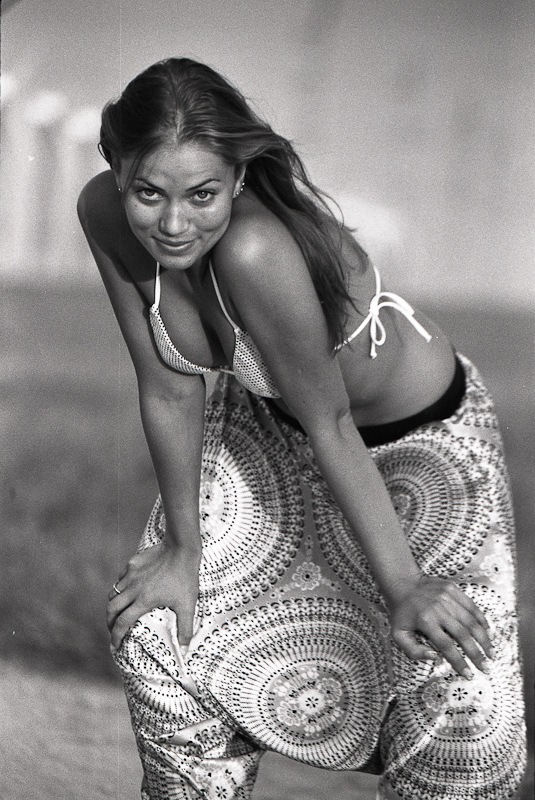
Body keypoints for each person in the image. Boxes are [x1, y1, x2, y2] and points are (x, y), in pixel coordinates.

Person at [78, 57, 526, 800]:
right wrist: (182, 549)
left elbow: (333, 423)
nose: (173, 224)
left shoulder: (255, 250)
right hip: (270, 423)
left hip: (415, 441)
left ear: (239, 178)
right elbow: (167, 386)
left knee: (451, 679)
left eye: (202, 194)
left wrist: (405, 586)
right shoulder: (102, 210)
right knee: (159, 628)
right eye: (148, 192)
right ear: (118, 167)